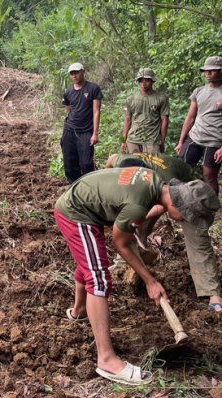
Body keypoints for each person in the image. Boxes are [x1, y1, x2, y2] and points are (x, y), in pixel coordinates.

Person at [55, 167, 219, 384]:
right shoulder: (138, 204)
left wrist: (149, 276)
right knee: (98, 278)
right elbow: (121, 243)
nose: (184, 222)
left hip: (85, 203)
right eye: (187, 218)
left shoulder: (156, 182)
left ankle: (80, 310)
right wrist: (150, 281)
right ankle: (106, 359)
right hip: (76, 212)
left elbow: (127, 230)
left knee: (91, 262)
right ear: (180, 205)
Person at [106, 153, 222, 312]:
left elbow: (163, 205)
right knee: (134, 221)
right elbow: (112, 158)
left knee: (198, 239)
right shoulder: (125, 164)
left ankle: (211, 292)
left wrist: (135, 218)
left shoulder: (164, 184)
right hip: (150, 192)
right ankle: (124, 265)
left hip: (190, 195)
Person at [175, 56, 222, 194]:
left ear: (220, 71)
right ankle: (181, 204)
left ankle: (211, 210)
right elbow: (190, 117)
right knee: (181, 170)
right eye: (205, 71)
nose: (207, 73)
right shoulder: (199, 91)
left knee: (209, 176)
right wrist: (181, 141)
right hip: (195, 137)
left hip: (214, 142)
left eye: (211, 71)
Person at [61, 63, 103, 182]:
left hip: (86, 131)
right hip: (70, 130)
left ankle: (89, 187)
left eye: (77, 72)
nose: (74, 75)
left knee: (86, 163)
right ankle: (73, 186)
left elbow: (96, 111)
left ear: (83, 72)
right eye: (72, 73)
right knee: (69, 161)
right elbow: (69, 110)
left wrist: (95, 133)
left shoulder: (93, 88)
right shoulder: (68, 92)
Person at [121, 68, 169, 154]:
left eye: (147, 80)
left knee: (153, 166)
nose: (143, 83)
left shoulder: (161, 98)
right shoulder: (130, 99)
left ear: (152, 81)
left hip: (152, 140)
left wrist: (162, 141)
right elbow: (127, 121)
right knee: (132, 165)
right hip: (133, 140)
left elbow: (164, 121)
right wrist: (123, 141)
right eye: (141, 80)